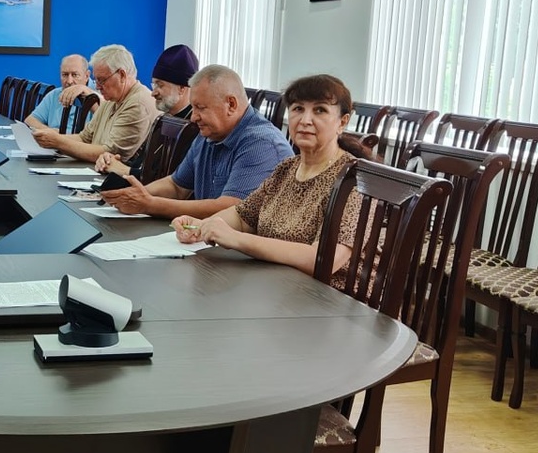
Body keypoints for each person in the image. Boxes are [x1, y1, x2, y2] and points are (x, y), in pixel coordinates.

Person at [172, 74, 373, 289]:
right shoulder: (287, 168)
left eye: (320, 110)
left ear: (342, 122)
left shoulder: (354, 180)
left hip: (327, 299)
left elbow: (322, 260)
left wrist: (237, 239)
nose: (305, 120)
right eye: (298, 109)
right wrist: (201, 227)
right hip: (276, 286)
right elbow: (242, 216)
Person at [100, 64, 293, 219]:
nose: (193, 117)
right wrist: (134, 195)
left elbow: (232, 209)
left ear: (231, 104)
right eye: (193, 108)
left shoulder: (261, 144)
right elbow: (177, 186)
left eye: (201, 108)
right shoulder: (208, 134)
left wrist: (149, 204)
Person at [31, 44, 156, 162]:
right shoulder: (112, 99)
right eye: (96, 80)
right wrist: (48, 138)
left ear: (122, 75)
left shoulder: (137, 104)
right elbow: (84, 138)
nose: (97, 86)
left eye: (102, 80)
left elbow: (110, 154)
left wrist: (58, 142)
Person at [95, 44, 200, 178]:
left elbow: (172, 180)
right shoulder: (163, 120)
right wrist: (109, 160)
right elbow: (142, 165)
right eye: (154, 84)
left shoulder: (195, 127)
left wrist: (123, 170)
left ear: (182, 88)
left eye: (160, 85)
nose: (153, 93)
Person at [24, 54, 94, 131]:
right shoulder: (54, 94)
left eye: (75, 75)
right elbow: (30, 120)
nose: (69, 81)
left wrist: (61, 137)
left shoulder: (98, 97)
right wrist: (53, 133)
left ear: (87, 76)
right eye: (65, 75)